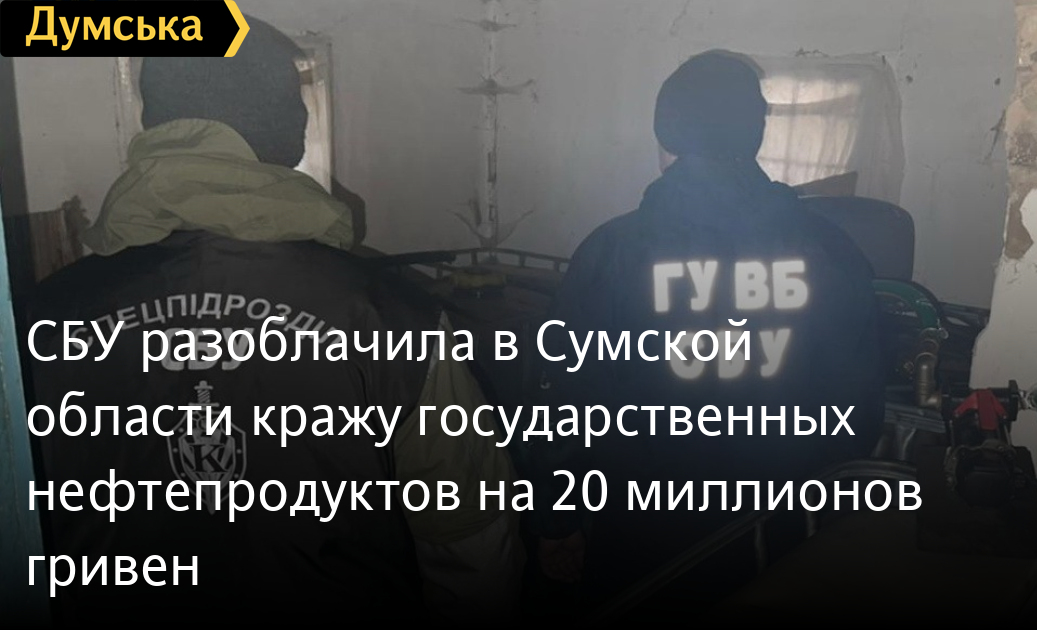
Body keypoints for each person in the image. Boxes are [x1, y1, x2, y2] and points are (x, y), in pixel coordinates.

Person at [24, 16, 521, 626]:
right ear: (284, 130)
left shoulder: (41, 319)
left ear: (156, 125)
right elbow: (467, 531)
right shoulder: (390, 315)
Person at [528, 50, 887, 611]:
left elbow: (567, 405)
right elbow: (858, 405)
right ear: (754, 135)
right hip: (780, 528)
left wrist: (557, 517)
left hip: (645, 531)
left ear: (665, 137)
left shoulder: (611, 252)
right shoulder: (831, 251)